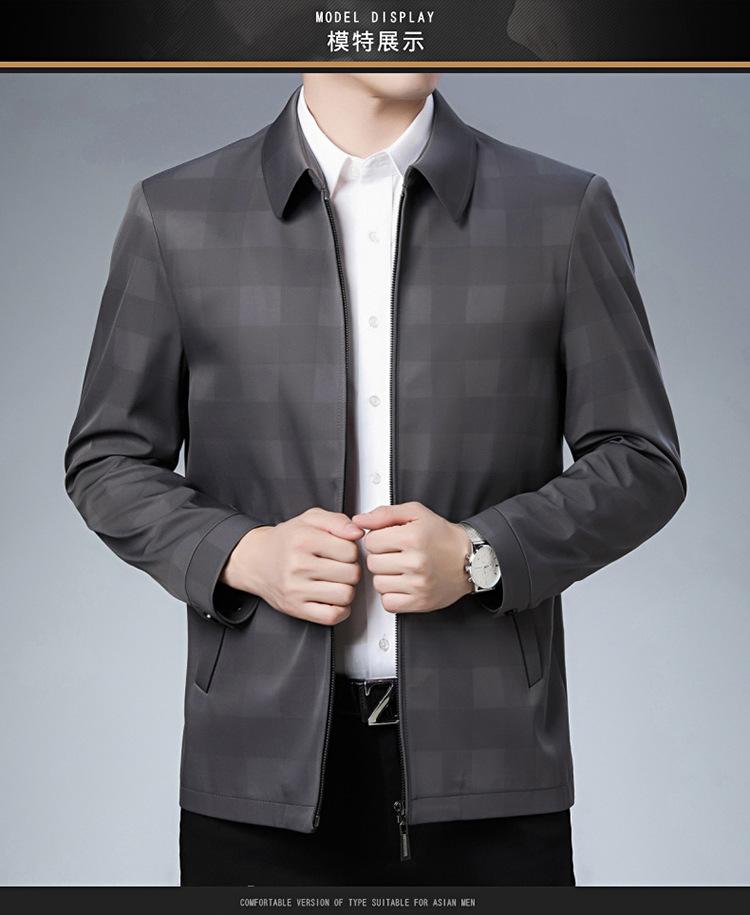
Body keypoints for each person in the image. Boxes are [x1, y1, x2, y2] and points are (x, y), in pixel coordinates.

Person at [64, 73, 686, 886]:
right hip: (256, 773)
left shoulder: (560, 210)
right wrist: (244, 555)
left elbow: (641, 458)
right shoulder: (177, 214)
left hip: (490, 769)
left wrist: (481, 554)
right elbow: (107, 457)